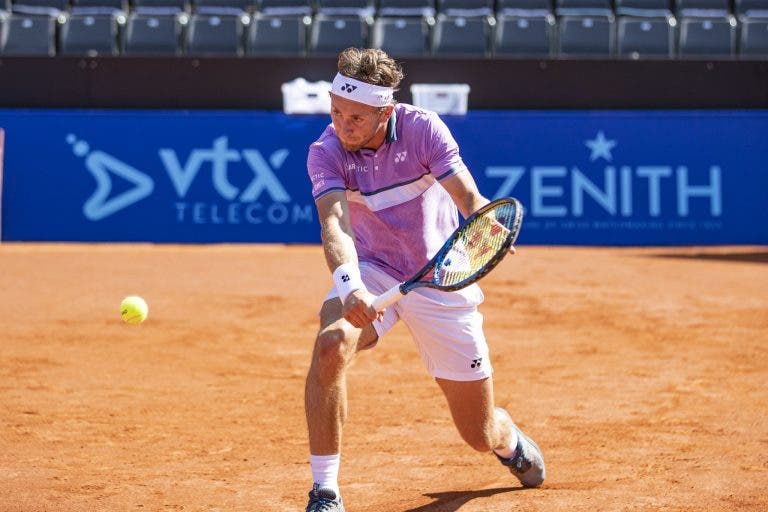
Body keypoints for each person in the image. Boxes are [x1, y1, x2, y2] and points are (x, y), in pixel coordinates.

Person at [303, 47, 545, 512]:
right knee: (332, 344)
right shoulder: (326, 151)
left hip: (441, 275)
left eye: (355, 116)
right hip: (373, 269)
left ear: (385, 112)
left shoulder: (422, 129)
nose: (342, 125)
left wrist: (486, 226)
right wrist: (352, 286)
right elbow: (335, 225)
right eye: (335, 112)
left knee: (477, 434)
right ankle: (325, 491)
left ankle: (508, 440)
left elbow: (469, 197)